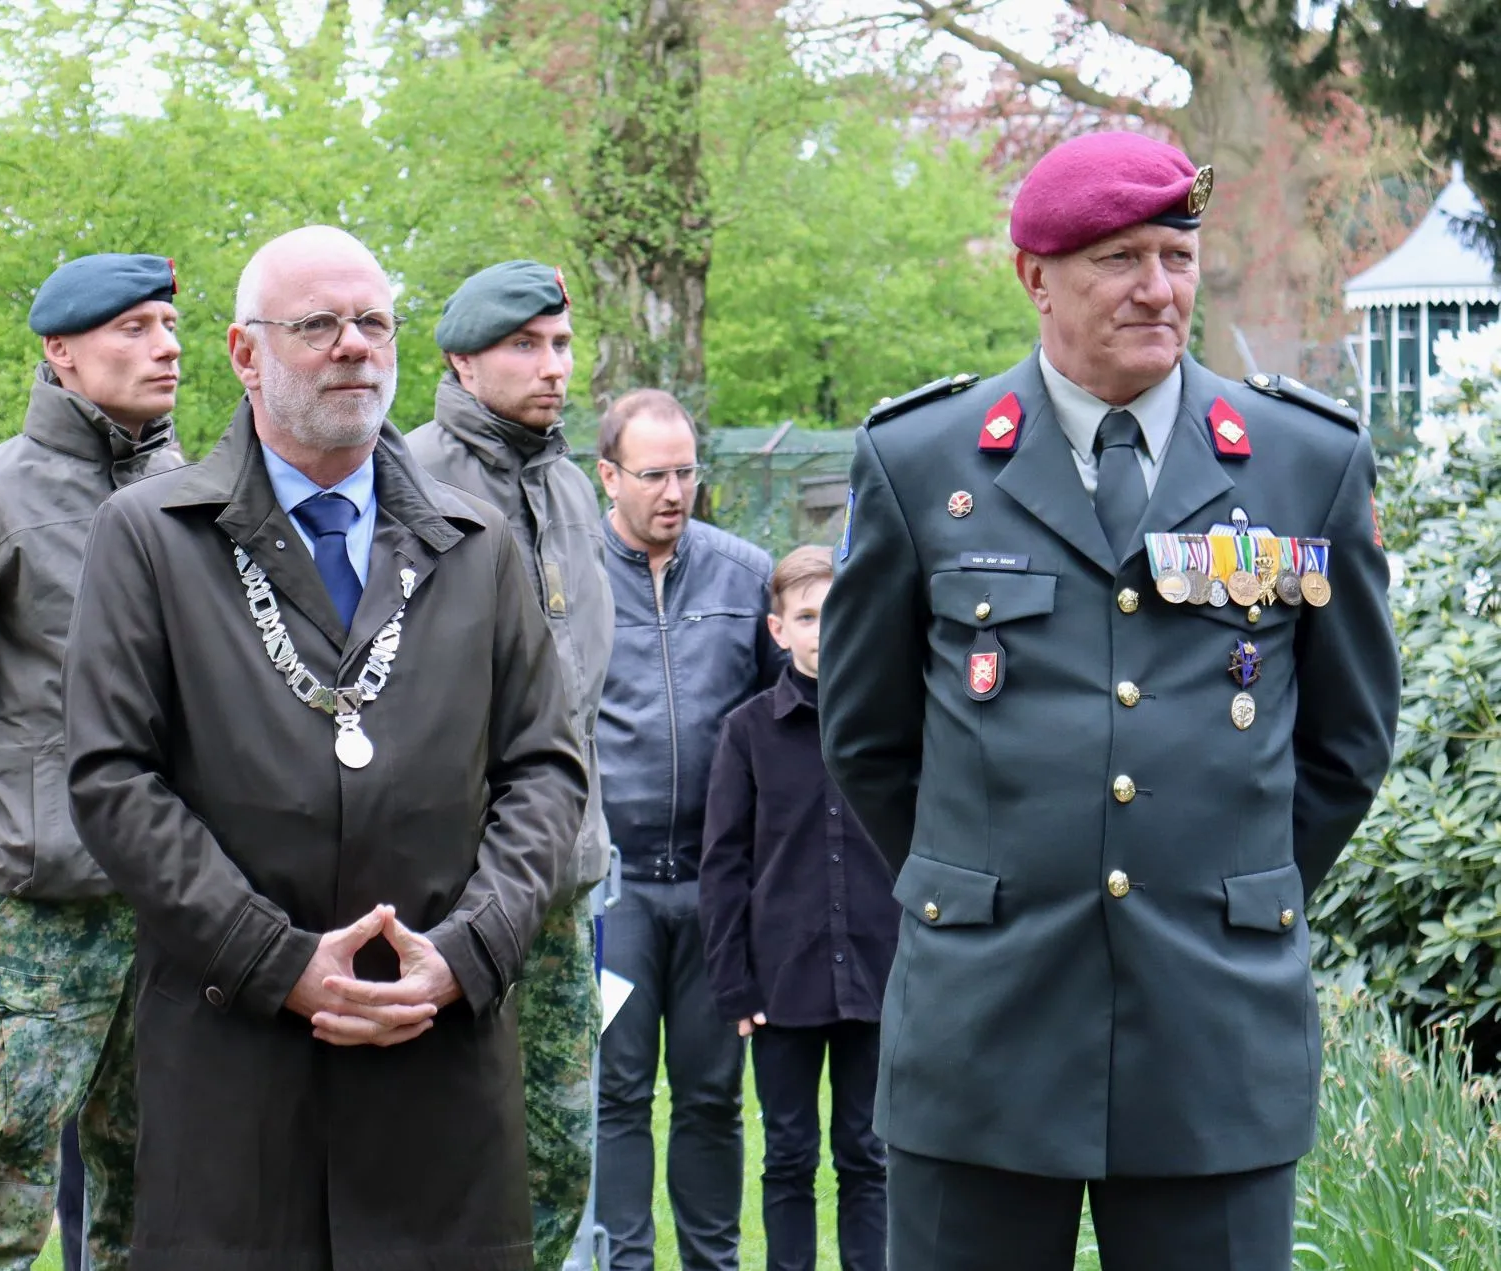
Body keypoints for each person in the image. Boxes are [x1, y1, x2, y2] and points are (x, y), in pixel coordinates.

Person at [820, 131, 1400, 1271]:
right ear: (1035, 277)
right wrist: (981, 876)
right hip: (982, 1022)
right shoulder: (919, 456)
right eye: (1117, 259)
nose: (1156, 288)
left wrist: (1226, 882)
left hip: (1210, 1024)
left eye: (1176, 255)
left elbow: (1346, 739)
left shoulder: (1299, 460)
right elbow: (866, 736)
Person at [63, 224, 586, 1269]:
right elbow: (113, 778)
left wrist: (468, 951)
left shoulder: (473, 542)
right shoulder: (150, 536)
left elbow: (545, 765)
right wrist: (278, 960)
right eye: (318, 325)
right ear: (244, 353)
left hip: (435, 1046)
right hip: (236, 1054)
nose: (354, 345)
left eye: (374, 322)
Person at [0, 254, 185, 1271]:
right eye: (133, 327)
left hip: (177, 913)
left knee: (163, 1206)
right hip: (38, 915)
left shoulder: (198, 495)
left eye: (168, 324)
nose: (164, 345)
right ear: (59, 352)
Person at [405, 258, 612, 1271]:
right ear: (460, 360)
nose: (551, 366)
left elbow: (582, 690)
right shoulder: (404, 481)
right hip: (441, 890)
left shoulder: (574, 489)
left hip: (563, 886)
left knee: (563, 1146)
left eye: (561, 344)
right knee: (431, 1147)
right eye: (524, 346)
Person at [592, 387, 780, 1271]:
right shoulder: (566, 577)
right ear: (607, 476)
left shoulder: (747, 576)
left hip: (718, 890)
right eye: (654, 474)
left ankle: (713, 1261)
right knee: (614, 1093)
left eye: (687, 472)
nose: (675, 491)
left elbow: (790, 720)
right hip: (609, 889)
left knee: (712, 1096)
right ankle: (621, 1260)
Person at [699, 544, 894, 1271]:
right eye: (807, 615)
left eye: (837, 612)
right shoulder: (747, 732)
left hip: (878, 971)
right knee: (788, 1154)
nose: (824, 629)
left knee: (867, 1152)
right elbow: (723, 863)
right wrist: (733, 982)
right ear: (779, 629)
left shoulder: (891, 722)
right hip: (783, 982)